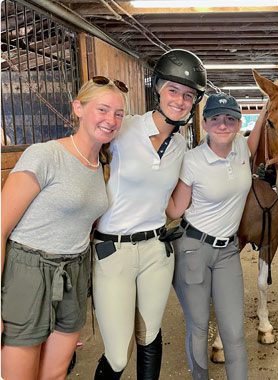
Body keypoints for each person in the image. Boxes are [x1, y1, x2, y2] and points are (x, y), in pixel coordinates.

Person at [1, 76, 128, 379]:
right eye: (102, 109)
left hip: (74, 271)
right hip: (30, 270)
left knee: (56, 374)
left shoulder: (100, 165)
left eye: (118, 114)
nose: (110, 120)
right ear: (78, 109)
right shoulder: (45, 155)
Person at [92, 49, 206, 379]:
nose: (180, 100)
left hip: (157, 250)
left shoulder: (182, 145)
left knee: (150, 335)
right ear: (158, 89)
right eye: (173, 90)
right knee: (116, 354)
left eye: (189, 95)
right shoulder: (122, 129)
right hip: (113, 250)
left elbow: (171, 207)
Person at [166, 92, 262, 380]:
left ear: (238, 123)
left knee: (234, 331)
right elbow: (175, 210)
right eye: (216, 119)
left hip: (228, 252)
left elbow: (263, 126)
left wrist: (272, 98)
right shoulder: (192, 161)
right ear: (205, 123)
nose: (223, 124)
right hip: (194, 249)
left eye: (230, 119)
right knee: (198, 326)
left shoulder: (242, 149)